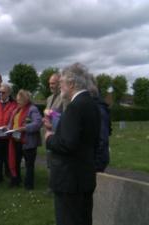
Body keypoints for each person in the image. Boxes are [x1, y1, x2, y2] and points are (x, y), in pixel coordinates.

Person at [44, 63, 101, 225]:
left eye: (61, 82)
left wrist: (49, 137)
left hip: (69, 181)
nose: (60, 85)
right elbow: (82, 139)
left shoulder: (75, 107)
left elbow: (67, 144)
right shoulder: (91, 104)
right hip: (84, 177)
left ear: (72, 84)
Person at [7, 89, 42, 189]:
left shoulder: (32, 109)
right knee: (16, 161)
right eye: (17, 99)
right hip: (16, 140)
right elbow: (12, 122)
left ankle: (29, 185)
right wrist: (9, 129)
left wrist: (25, 128)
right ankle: (16, 180)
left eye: (19, 100)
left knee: (29, 165)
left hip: (28, 142)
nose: (17, 101)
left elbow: (38, 123)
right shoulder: (16, 110)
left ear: (26, 100)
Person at [45, 72, 67, 193]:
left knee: (57, 161)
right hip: (48, 133)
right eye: (49, 83)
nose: (51, 86)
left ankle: (57, 185)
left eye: (53, 83)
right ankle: (51, 185)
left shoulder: (65, 98)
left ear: (59, 83)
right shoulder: (49, 98)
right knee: (49, 161)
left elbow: (64, 116)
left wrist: (51, 114)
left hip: (58, 134)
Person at [87, 75, 111, 172]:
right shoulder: (93, 106)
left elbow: (102, 138)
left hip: (95, 163)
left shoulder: (98, 108)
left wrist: (96, 164)